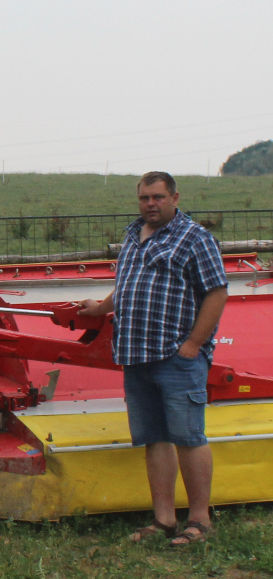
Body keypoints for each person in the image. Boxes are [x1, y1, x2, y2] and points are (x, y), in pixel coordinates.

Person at [79, 171, 228, 546]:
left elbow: (216, 293)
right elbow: (130, 281)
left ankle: (199, 521)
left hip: (176, 356)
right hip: (135, 354)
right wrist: (101, 307)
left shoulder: (195, 238)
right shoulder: (133, 236)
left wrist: (194, 344)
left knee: (189, 437)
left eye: (159, 197)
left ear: (175, 197)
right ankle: (164, 520)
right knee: (154, 439)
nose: (151, 204)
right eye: (145, 197)